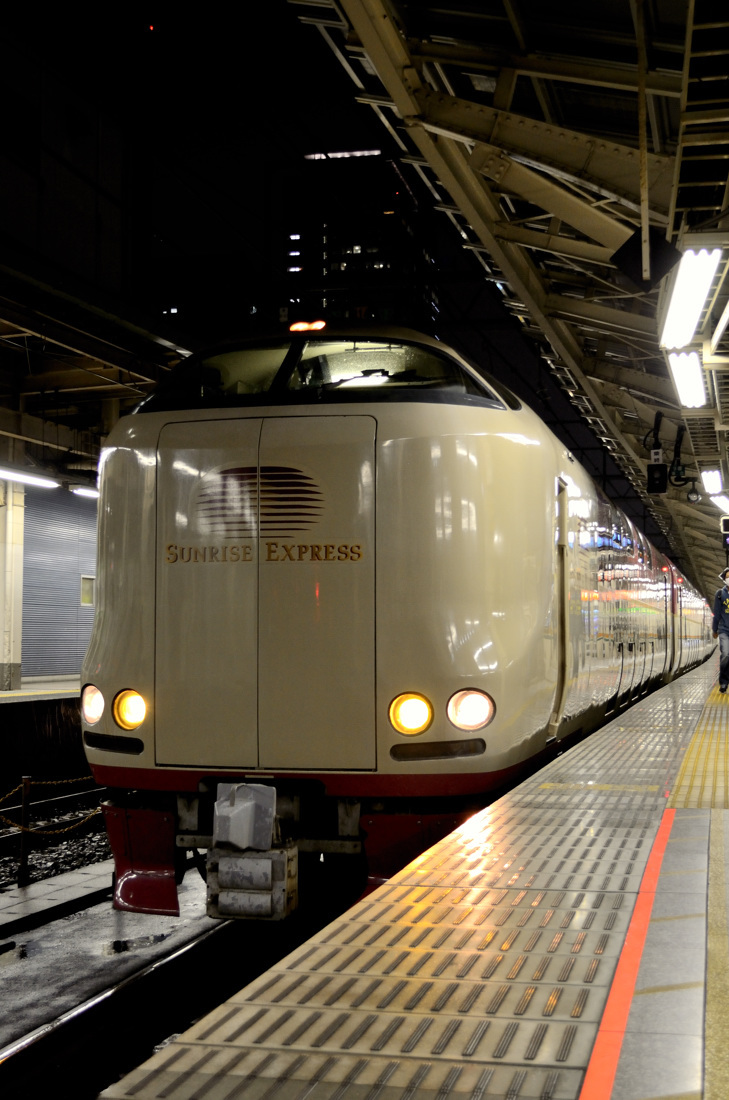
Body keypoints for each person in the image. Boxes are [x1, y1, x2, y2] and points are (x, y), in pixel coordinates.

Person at [712, 567, 729, 692]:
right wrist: (714, 630)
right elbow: (717, 614)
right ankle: (723, 681)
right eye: (727, 577)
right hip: (724, 631)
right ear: (724, 579)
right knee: (725, 654)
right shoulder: (720, 594)